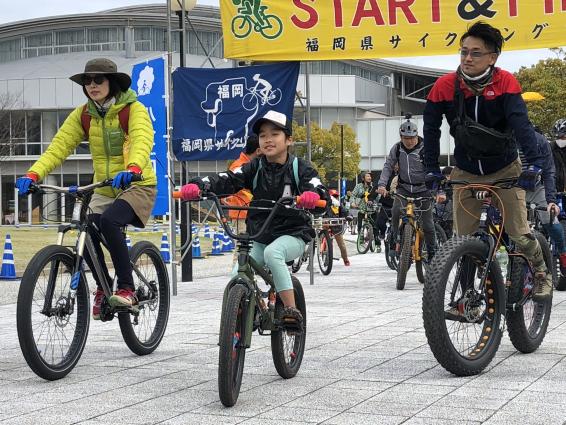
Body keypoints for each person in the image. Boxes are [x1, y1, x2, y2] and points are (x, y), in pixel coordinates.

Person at [15, 58, 157, 318]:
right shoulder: (84, 114)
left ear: (111, 82)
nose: (92, 85)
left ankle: (127, 288)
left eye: (98, 80)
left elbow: (141, 139)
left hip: (137, 182)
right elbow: (59, 146)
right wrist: (34, 173)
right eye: (87, 81)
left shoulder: (132, 109)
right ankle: (104, 287)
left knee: (110, 222)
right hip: (103, 186)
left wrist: (134, 167)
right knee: (86, 226)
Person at [422, 21, 551, 301]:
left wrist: (534, 165)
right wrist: (430, 169)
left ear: (492, 58)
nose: (467, 58)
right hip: (466, 171)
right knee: (462, 240)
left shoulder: (506, 83)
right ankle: (467, 294)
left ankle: (542, 272)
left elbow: (522, 127)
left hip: (505, 169)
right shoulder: (443, 87)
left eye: (476, 53)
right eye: (464, 52)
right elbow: (430, 131)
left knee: (518, 234)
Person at [179, 110, 328, 328]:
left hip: (293, 234)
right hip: (260, 233)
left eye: (275, 134)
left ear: (289, 140)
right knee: (238, 270)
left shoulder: (300, 168)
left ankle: (291, 310)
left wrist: (314, 197)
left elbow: (317, 187)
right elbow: (227, 179)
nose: (268, 139)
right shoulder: (254, 167)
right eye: (263, 135)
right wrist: (199, 186)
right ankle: (237, 319)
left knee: (273, 253)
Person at [378, 116, 437, 261]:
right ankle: (394, 239)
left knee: (428, 224)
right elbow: (388, 166)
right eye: (406, 138)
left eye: (412, 138)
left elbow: (433, 169)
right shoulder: (397, 148)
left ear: (417, 136)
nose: (409, 141)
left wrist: (436, 190)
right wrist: (381, 184)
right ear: (401, 137)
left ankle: (432, 252)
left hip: (423, 189)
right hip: (404, 188)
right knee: (396, 211)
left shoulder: (425, 148)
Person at [520, 126, 566, 275]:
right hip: (512, 189)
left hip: (537, 188)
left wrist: (551, 200)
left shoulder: (540, 141)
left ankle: (563, 252)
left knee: (551, 220)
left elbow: (549, 171)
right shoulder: (502, 139)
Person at [224, 134, 262, 230]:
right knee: (244, 243)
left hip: (250, 213)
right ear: (258, 151)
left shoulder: (251, 165)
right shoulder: (239, 166)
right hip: (242, 215)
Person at [351, 172, 381, 251]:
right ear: (363, 178)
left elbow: (378, 198)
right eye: (367, 176)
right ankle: (360, 241)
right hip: (362, 209)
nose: (369, 177)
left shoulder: (374, 187)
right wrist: (353, 203)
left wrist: (378, 196)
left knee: (375, 227)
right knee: (360, 226)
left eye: (370, 176)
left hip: (372, 210)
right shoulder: (358, 186)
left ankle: (378, 245)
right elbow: (353, 195)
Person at [328, 189, 351, 266]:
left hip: (336, 226)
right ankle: (324, 257)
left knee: (342, 245)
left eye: (336, 196)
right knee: (323, 241)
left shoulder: (339, 205)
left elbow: (344, 212)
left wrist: (348, 216)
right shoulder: (325, 204)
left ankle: (345, 259)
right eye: (332, 196)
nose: (334, 198)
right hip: (326, 224)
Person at [434, 166, 454, 237]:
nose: (447, 178)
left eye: (449, 176)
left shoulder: (455, 185)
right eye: (446, 176)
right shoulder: (440, 185)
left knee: (449, 234)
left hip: (450, 216)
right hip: (439, 214)